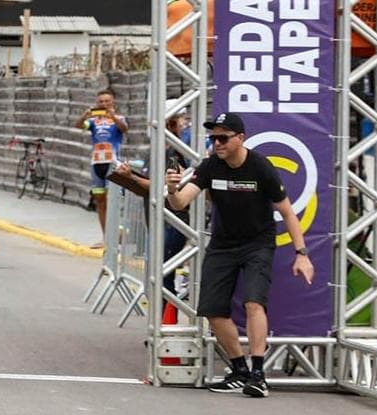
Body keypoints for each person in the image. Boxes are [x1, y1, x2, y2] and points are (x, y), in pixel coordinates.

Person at [165, 112, 314, 398]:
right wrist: (173, 188)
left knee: (253, 303)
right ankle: (239, 370)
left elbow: (287, 211)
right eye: (213, 138)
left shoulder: (261, 167)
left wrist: (302, 253)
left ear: (240, 138)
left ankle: (258, 374)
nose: (217, 143)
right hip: (223, 244)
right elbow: (181, 202)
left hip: (258, 243)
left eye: (223, 137)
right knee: (212, 309)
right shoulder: (211, 166)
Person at [112, 101, 192, 294]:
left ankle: (166, 319)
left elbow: (161, 187)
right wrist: (131, 175)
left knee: (164, 276)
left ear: (170, 125)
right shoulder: (154, 151)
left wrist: (131, 177)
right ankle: (163, 316)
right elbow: (149, 181)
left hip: (172, 221)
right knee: (158, 274)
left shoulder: (176, 153)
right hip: (155, 219)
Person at [76, 89, 128, 248]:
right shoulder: (93, 122)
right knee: (100, 201)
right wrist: (84, 116)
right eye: (101, 102)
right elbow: (79, 126)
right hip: (96, 164)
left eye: (107, 101)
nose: (104, 104)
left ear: (113, 103)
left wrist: (112, 116)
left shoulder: (118, 118)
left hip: (113, 164)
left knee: (113, 200)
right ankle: (106, 238)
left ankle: (116, 237)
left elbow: (124, 128)